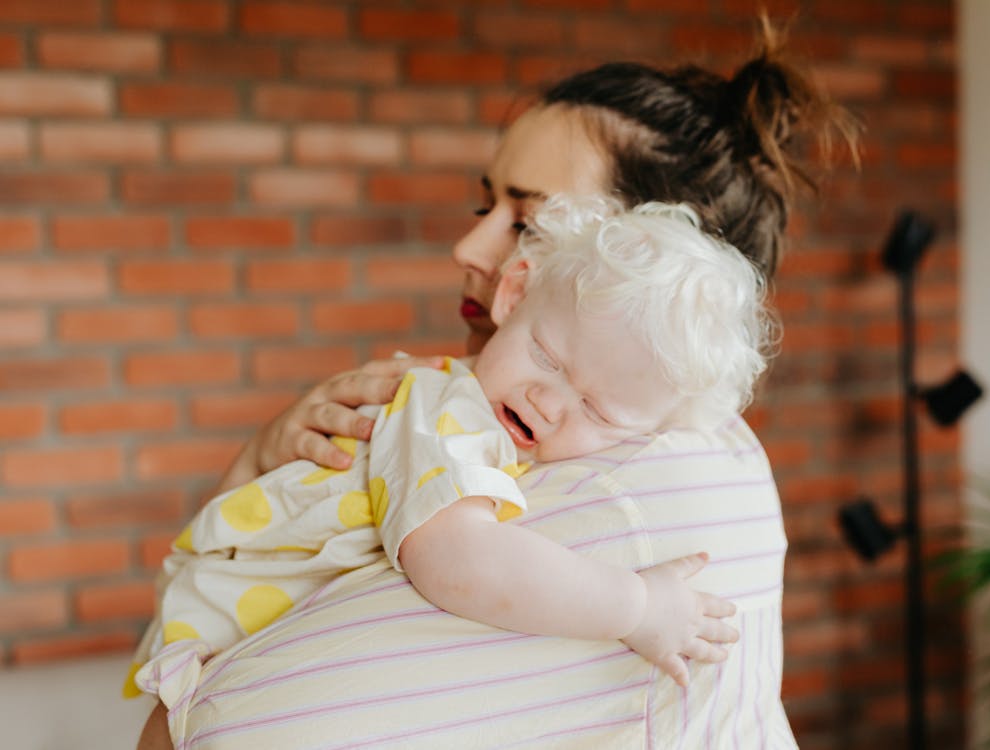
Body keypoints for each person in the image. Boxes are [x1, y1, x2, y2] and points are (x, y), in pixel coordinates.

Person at [138, 18, 857, 750]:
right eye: (488, 206)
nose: (468, 246)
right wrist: (264, 457)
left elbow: (203, 735)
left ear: (657, 246)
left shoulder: (647, 480)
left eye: (528, 220)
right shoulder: (461, 409)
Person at [128, 198, 770, 714]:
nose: (548, 401)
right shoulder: (443, 406)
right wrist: (636, 606)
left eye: (598, 412)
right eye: (546, 356)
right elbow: (456, 559)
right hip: (217, 635)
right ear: (514, 296)